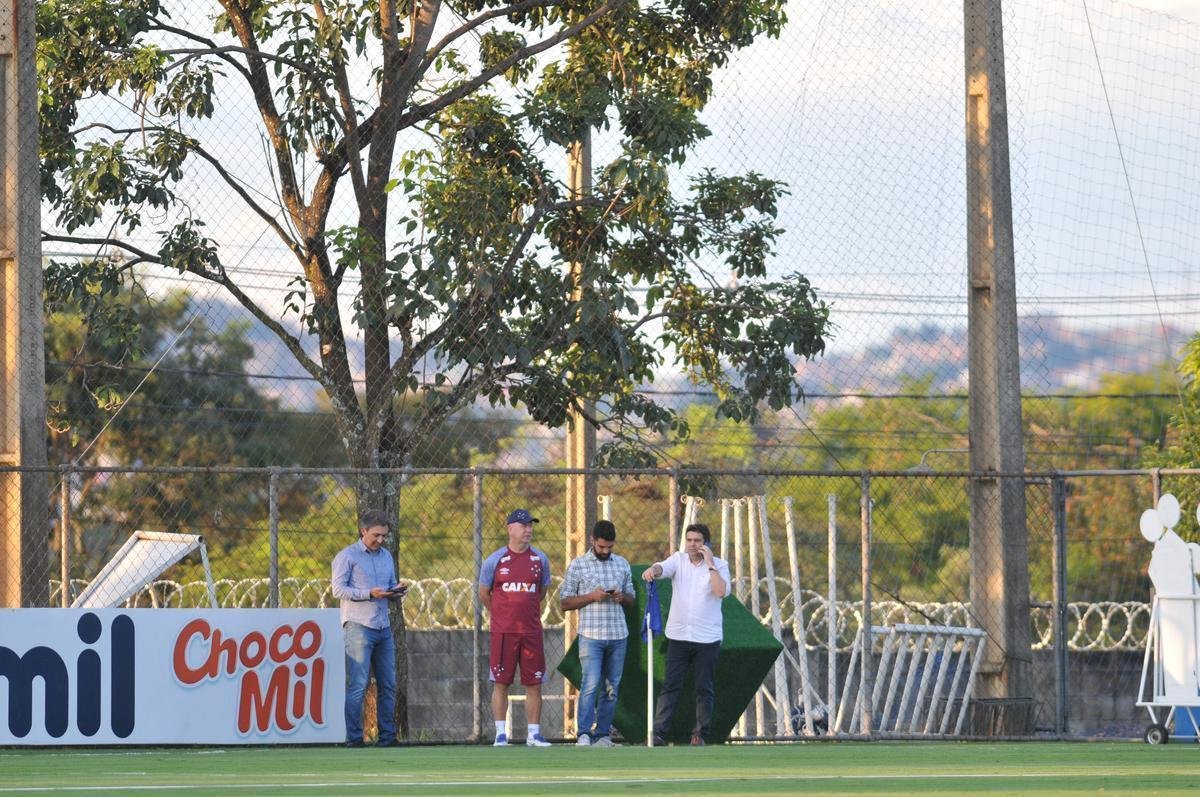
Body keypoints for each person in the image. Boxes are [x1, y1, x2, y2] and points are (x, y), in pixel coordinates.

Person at [641, 522, 731, 746]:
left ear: (706, 544)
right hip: (679, 635)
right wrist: (654, 570)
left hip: (707, 638)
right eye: (689, 540)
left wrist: (710, 564)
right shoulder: (678, 560)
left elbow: (721, 591)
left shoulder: (720, 565)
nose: (692, 545)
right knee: (671, 685)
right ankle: (659, 734)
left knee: (704, 688)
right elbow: (662, 568)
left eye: (697, 541)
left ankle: (700, 734)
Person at [330, 509, 407, 748]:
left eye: (384, 535)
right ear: (363, 531)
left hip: (383, 626)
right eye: (376, 535)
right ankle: (354, 738)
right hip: (358, 627)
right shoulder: (347, 556)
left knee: (388, 684)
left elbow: (389, 585)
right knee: (358, 684)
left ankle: (387, 737)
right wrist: (368, 594)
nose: (380, 540)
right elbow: (338, 590)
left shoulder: (386, 557)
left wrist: (396, 591)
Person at [478, 508, 553, 747]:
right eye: (523, 526)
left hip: (531, 631)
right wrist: (501, 615)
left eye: (531, 525)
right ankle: (501, 734)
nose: (528, 530)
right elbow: (483, 593)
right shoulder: (495, 560)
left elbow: (541, 592)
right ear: (510, 528)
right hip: (504, 632)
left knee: (534, 682)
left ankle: (533, 734)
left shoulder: (539, 559)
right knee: (501, 682)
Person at [560, 520, 635, 746]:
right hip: (591, 635)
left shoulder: (622, 564)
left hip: (618, 634)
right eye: (602, 547)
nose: (605, 551)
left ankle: (603, 734)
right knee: (590, 684)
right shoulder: (578, 565)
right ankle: (583, 733)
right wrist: (592, 596)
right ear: (593, 540)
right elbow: (564, 603)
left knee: (612, 687)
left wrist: (623, 598)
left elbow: (632, 599)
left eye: (609, 547)